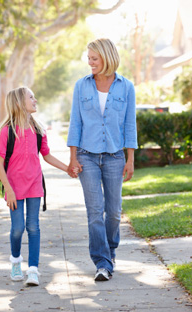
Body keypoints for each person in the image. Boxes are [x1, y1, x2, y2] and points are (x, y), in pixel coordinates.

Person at [67, 38, 137, 281]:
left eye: (94, 58)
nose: (90, 63)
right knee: (95, 211)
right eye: (88, 58)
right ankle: (102, 262)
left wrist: (130, 159)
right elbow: (75, 122)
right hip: (87, 156)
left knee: (114, 211)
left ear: (107, 57)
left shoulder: (126, 87)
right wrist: (72, 158)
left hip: (116, 156)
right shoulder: (81, 86)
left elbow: (130, 124)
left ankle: (110, 252)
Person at [0, 86, 68, 286]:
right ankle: (16, 261)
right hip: (14, 188)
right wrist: (8, 189)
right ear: (19, 103)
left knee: (33, 227)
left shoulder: (38, 129)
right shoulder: (7, 131)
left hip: (35, 184)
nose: (35, 100)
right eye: (31, 97)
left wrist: (67, 168)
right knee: (18, 228)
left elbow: (47, 155)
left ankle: (33, 270)